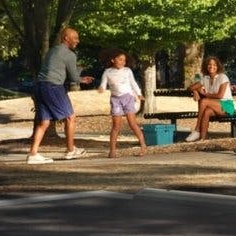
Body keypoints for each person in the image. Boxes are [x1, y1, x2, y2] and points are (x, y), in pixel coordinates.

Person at [26, 27, 93, 163]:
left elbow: (56, 70)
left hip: (40, 87)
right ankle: (71, 151)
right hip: (53, 87)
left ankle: (32, 154)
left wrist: (79, 79)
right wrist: (80, 75)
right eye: (75, 38)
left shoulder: (52, 50)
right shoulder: (69, 55)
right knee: (70, 117)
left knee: (44, 122)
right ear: (66, 38)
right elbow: (73, 77)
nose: (78, 41)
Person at [96, 50, 147, 158]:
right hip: (115, 100)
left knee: (132, 124)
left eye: (124, 60)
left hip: (128, 98)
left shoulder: (127, 71)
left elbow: (133, 83)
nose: (123, 62)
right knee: (116, 126)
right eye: (120, 60)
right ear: (113, 60)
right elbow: (103, 84)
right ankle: (112, 151)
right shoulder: (107, 72)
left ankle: (143, 146)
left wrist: (139, 94)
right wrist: (101, 88)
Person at [184, 56, 233, 142]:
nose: (211, 66)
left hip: (226, 105)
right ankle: (202, 139)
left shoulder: (223, 77)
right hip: (215, 105)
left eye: (214, 65)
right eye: (209, 64)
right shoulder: (205, 78)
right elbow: (190, 88)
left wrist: (205, 94)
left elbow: (220, 96)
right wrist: (195, 91)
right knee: (206, 112)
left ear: (218, 66)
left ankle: (197, 130)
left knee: (204, 101)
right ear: (206, 66)